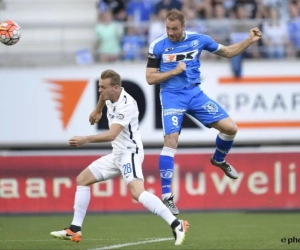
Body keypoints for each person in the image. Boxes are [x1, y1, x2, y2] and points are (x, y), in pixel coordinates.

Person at [50, 70, 189, 245]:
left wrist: (85, 139)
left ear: (115, 88)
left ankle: (177, 224)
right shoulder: (110, 95)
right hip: (117, 154)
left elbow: (111, 135)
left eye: (103, 87)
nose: (100, 91)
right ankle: (74, 230)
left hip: (129, 153)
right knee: (82, 179)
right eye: (99, 86)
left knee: (137, 193)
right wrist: (98, 109)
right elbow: (103, 98)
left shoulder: (127, 105)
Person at [145, 8, 262, 215]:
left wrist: (249, 41)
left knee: (230, 128)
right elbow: (150, 78)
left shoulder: (200, 40)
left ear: (183, 27)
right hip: (172, 96)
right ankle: (167, 196)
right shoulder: (158, 45)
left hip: (195, 95)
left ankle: (218, 159)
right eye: (167, 28)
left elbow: (227, 52)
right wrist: (173, 72)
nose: (170, 32)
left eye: (174, 29)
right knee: (171, 140)